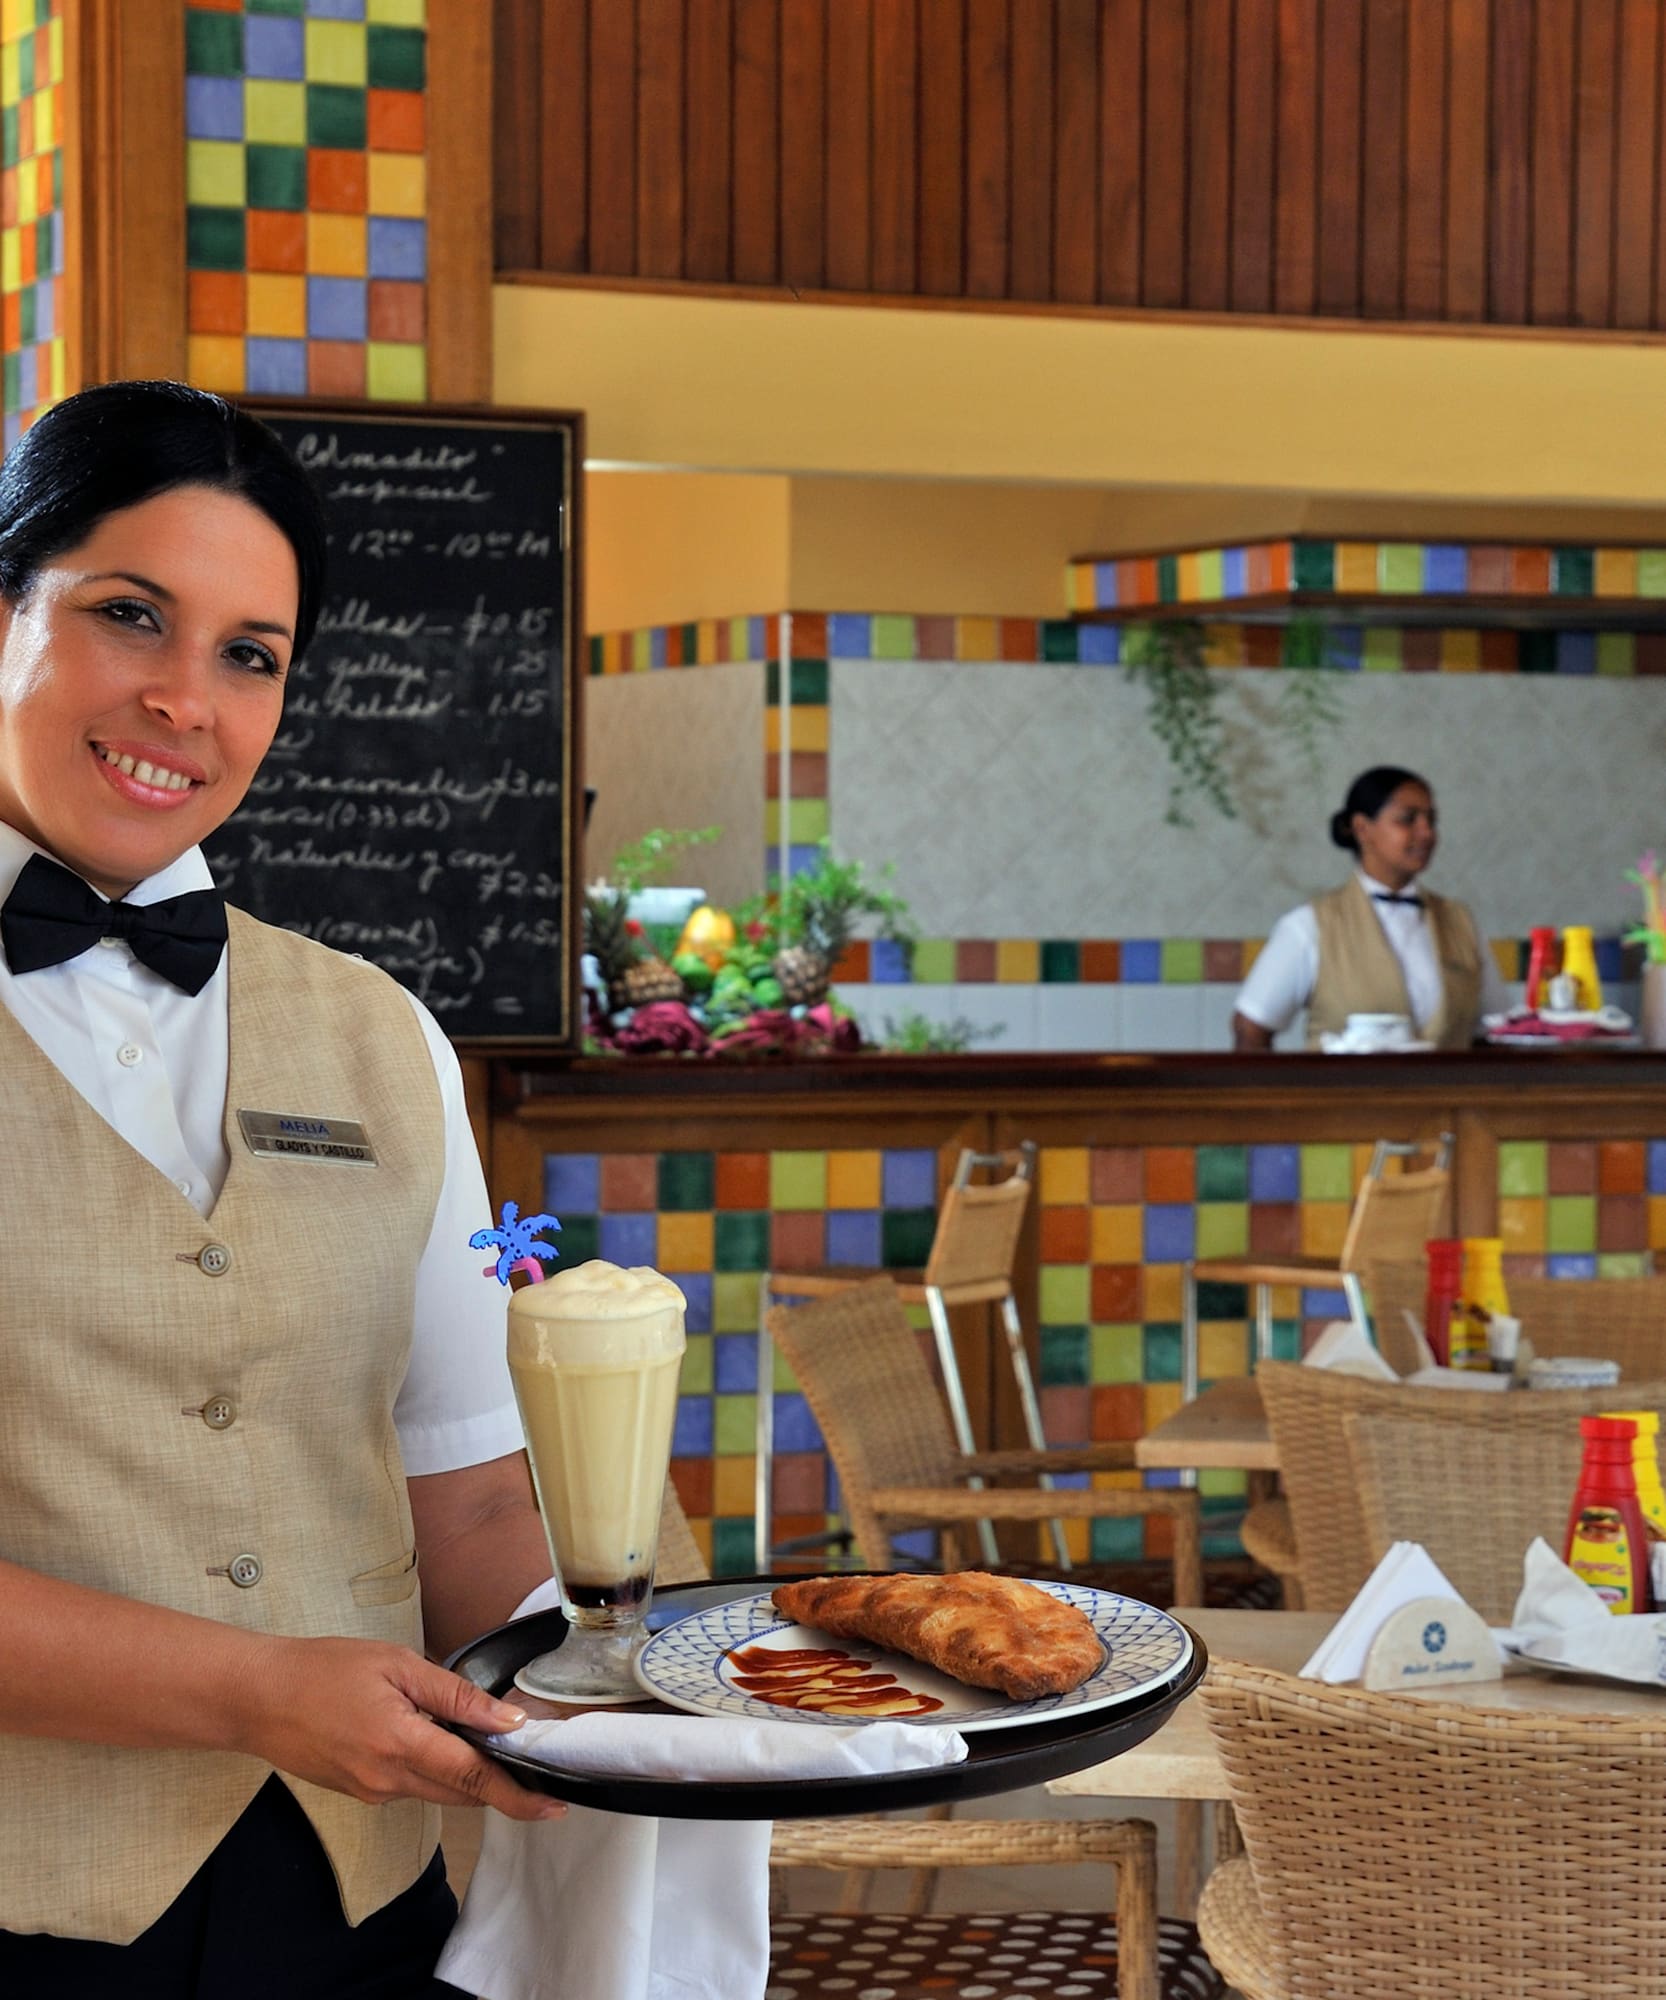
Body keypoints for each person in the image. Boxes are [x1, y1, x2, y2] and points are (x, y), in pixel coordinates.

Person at [0, 381, 564, 1995]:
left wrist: (657, 1698)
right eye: (130, 617)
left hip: (342, 1902)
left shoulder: (384, 1033)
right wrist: (252, 1687)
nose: (188, 700)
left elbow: (463, 1497)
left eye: (250, 654)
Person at [1233, 764, 1506, 1051]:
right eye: (1408, 819)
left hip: (1446, 1096)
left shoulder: (1460, 922)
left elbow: (1495, 1031)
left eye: (1431, 820)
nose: (1426, 833)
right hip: (1343, 1096)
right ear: (1363, 828)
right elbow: (1250, 1028)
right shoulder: (1310, 925)